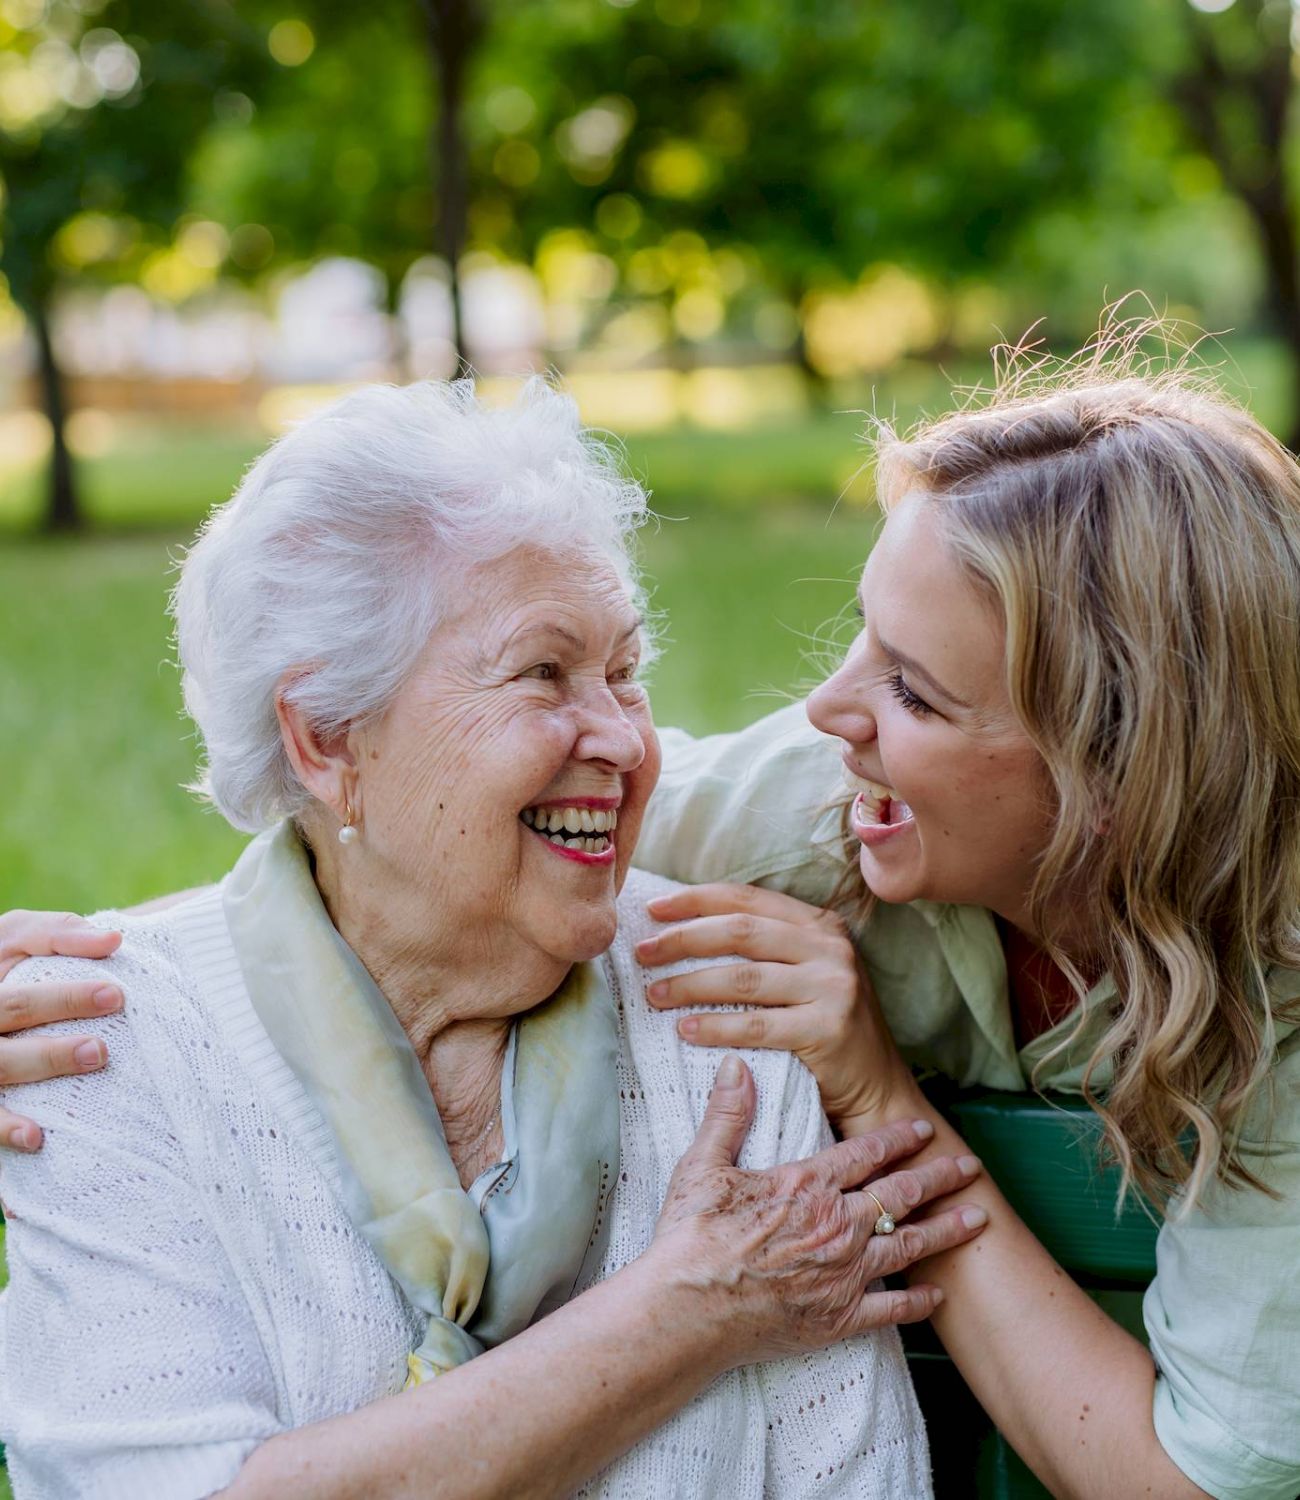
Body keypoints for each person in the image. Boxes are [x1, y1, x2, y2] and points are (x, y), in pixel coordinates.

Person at [8, 332, 1297, 1498]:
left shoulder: (728, 1021)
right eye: (546, 672)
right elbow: (423, 838)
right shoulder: (111, 1057)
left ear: (1114, 773)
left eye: (911, 691)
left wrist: (872, 1094)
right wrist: (686, 1310)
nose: (827, 719)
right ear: (327, 735)